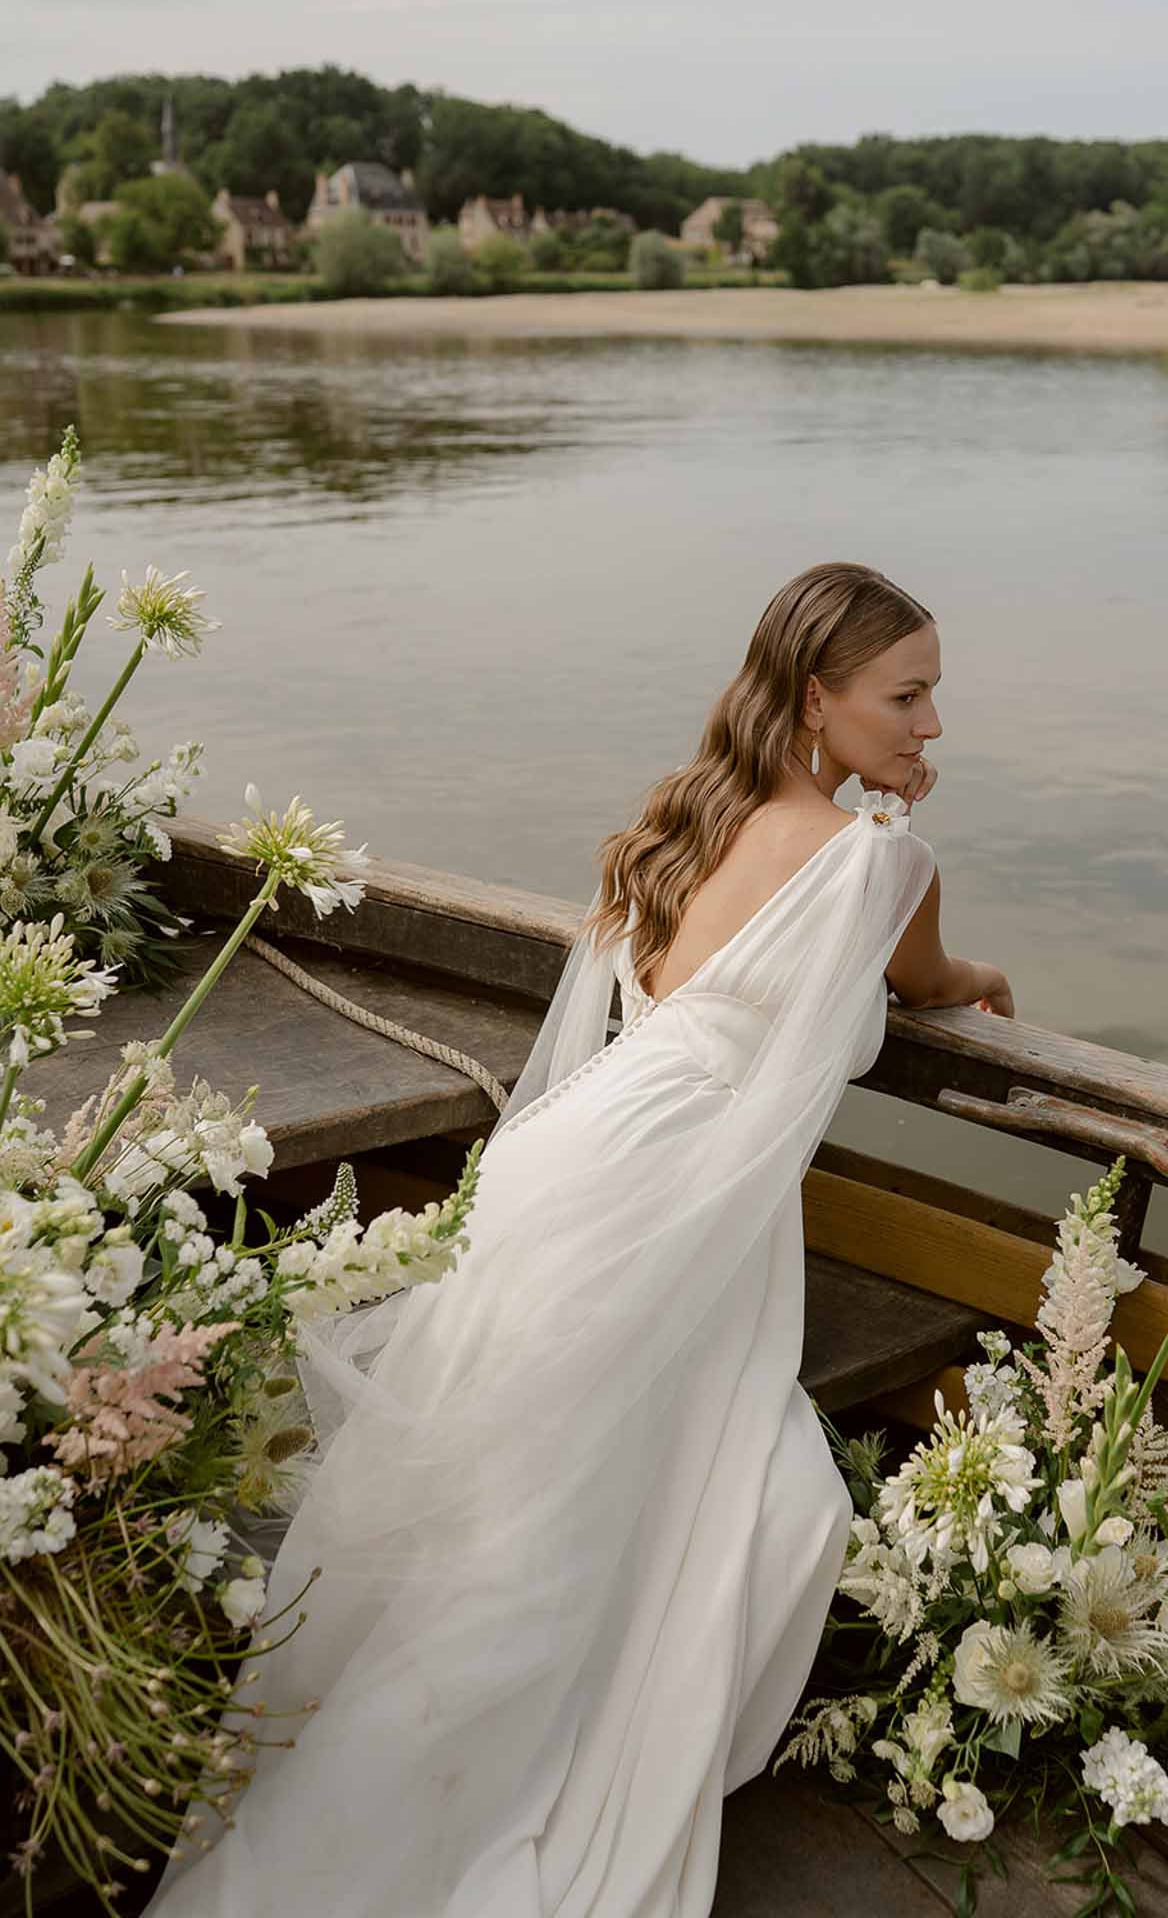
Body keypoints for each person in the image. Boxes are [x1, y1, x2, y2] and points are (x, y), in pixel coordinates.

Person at [144, 561, 1013, 1917]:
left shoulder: (685, 823)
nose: (933, 729)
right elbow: (947, 987)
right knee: (608, 1518)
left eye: (932, 699)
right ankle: (420, 1807)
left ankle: (375, 1771)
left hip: (575, 1164)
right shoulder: (880, 865)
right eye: (908, 697)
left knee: (512, 1507)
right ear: (813, 696)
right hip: (676, 1206)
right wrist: (943, 919)